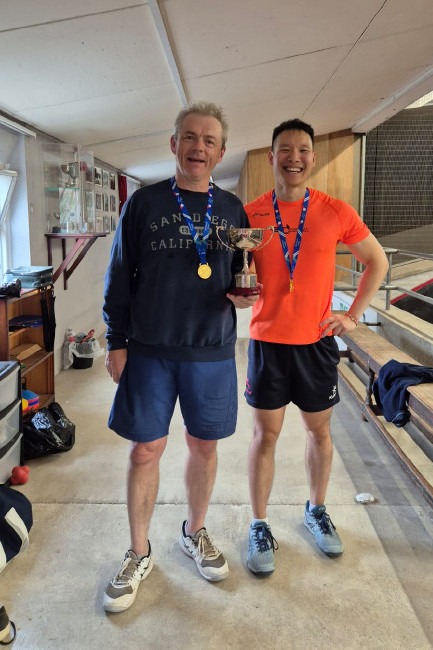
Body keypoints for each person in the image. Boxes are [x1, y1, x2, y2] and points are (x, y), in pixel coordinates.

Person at [102, 101, 257, 613]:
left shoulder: (232, 209)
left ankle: (195, 532)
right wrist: (115, 340)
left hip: (210, 350)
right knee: (145, 450)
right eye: (189, 137)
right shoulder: (143, 204)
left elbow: (244, 269)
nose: (198, 147)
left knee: (204, 447)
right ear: (174, 144)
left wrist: (245, 295)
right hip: (149, 349)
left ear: (221, 152)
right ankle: (138, 552)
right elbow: (119, 275)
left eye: (209, 140)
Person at [243, 118, 389, 576]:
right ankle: (259, 524)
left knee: (318, 433)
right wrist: (237, 292)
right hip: (267, 343)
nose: (294, 158)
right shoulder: (251, 214)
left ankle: (316, 510)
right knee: (264, 436)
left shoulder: (334, 210)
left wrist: (352, 316)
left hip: (316, 343)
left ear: (313, 157)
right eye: (285, 150)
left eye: (303, 149)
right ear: (271, 157)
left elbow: (377, 262)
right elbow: (236, 272)